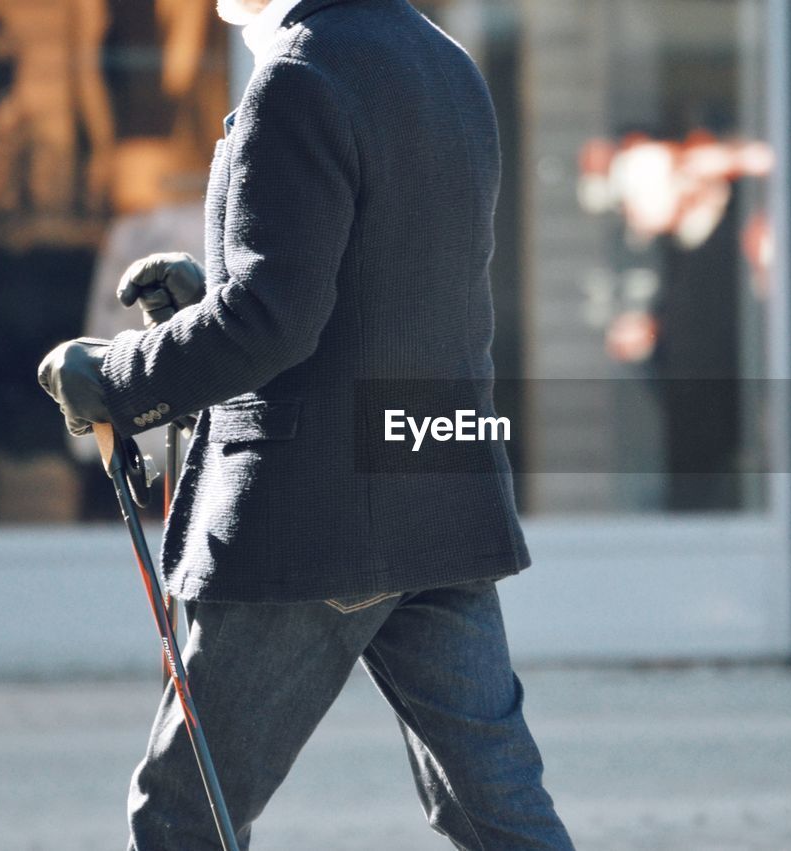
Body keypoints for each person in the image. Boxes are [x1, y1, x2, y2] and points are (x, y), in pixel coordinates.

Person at [37, 1, 574, 848]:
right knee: (496, 810)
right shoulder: (442, 61)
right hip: (439, 491)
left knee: (185, 814)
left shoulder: (297, 75)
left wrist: (115, 374)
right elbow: (373, 277)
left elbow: (273, 323)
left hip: (320, 514)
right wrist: (203, 307)